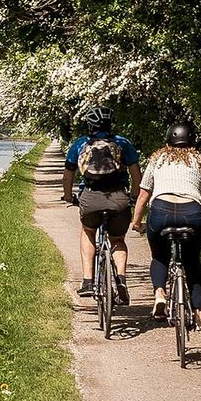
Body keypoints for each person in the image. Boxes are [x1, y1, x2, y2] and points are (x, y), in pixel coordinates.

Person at [133, 121, 201, 330]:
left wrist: (136, 222)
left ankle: (160, 293)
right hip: (191, 213)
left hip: (160, 211)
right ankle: (198, 310)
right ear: (192, 140)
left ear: (168, 139)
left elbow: (143, 194)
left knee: (159, 257)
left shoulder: (158, 159)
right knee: (192, 261)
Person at [61, 105, 141, 302]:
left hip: (90, 198)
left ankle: (88, 281)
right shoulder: (123, 143)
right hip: (118, 199)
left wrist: (68, 196)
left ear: (89, 125)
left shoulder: (80, 144)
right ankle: (120, 279)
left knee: (88, 231)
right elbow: (136, 175)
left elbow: (68, 175)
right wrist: (133, 195)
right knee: (118, 240)